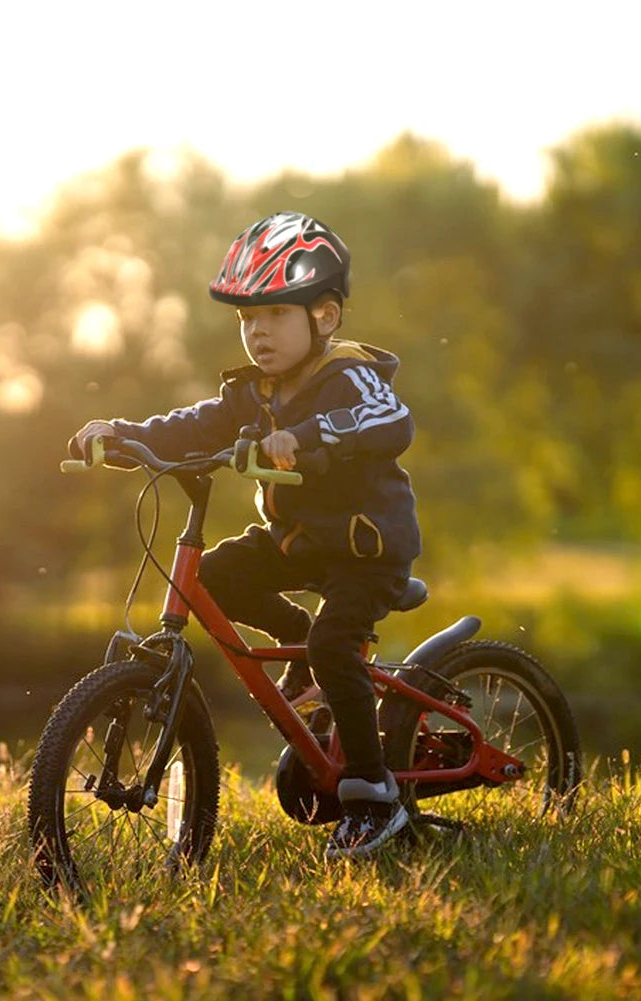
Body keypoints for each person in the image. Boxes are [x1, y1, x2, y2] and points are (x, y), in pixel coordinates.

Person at [69, 211, 422, 859]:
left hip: (366, 550)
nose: (257, 331)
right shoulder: (254, 391)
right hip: (297, 544)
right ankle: (294, 640)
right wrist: (121, 432)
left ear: (324, 315)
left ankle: (373, 796)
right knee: (212, 579)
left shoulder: (348, 373)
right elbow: (192, 424)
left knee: (334, 645)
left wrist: (307, 436)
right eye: (247, 319)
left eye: (275, 315)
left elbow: (388, 419)